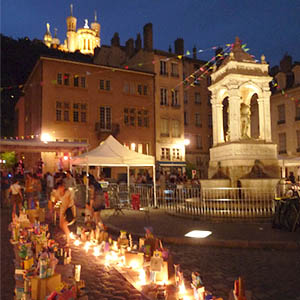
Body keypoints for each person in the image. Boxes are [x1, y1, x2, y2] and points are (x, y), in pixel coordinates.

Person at [55, 180, 76, 246]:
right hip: (62, 210)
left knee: (64, 225)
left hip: (69, 210)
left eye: (60, 187)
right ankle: (67, 237)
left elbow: (67, 203)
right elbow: (58, 201)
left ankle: (68, 241)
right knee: (61, 225)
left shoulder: (68, 193)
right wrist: (56, 207)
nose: (59, 189)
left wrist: (63, 212)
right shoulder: (58, 193)